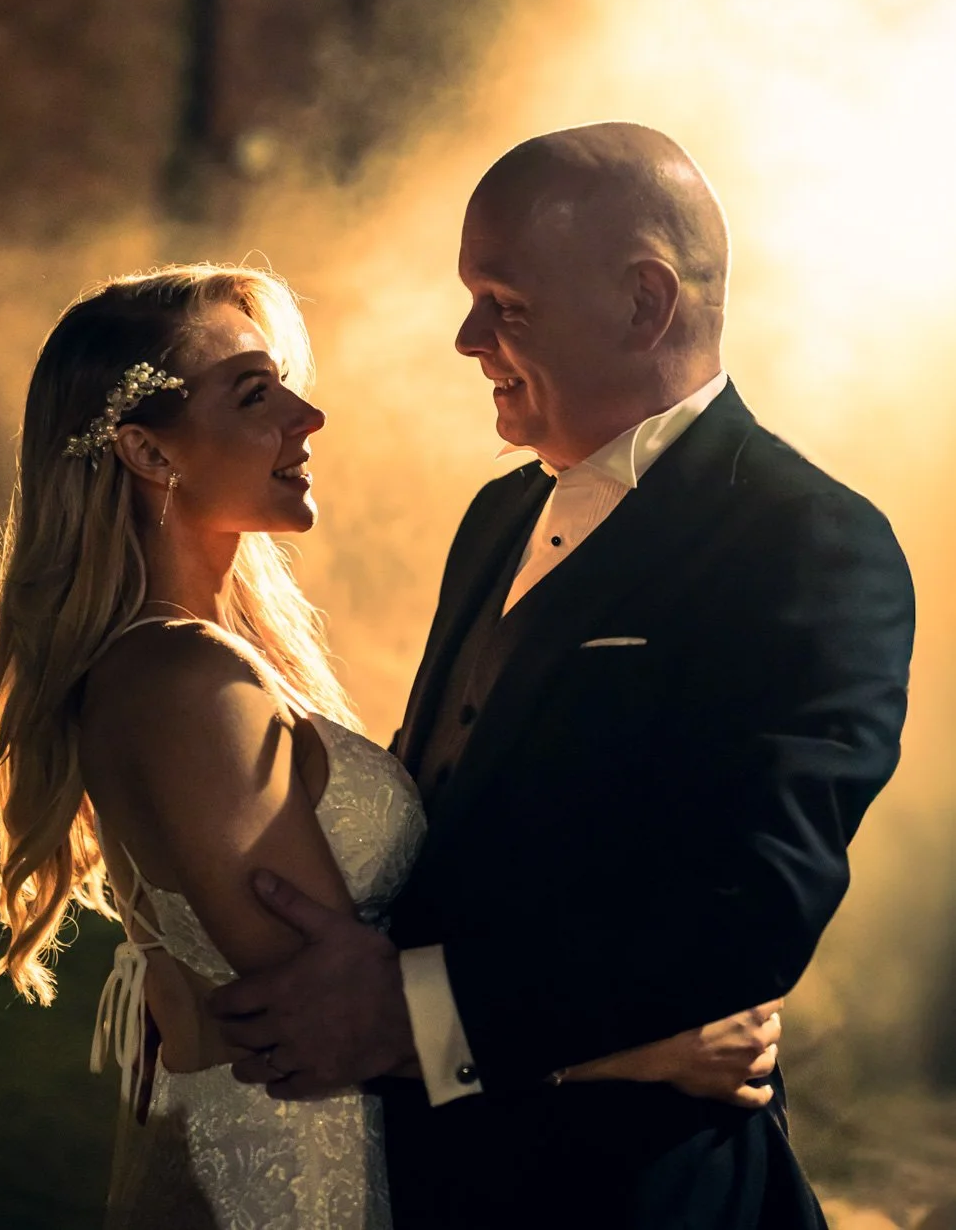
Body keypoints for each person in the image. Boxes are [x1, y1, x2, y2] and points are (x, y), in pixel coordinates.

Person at [0, 258, 782, 1230]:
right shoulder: (179, 681)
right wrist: (653, 1049)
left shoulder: (211, 661)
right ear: (148, 451)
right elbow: (333, 1022)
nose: (307, 417)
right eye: (254, 395)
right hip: (285, 1186)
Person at [212, 124, 916, 1229]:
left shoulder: (808, 543)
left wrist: (417, 1019)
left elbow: (752, 906)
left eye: (505, 304)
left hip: (634, 1192)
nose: (466, 338)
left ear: (644, 303)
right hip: (428, 1177)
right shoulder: (498, 515)